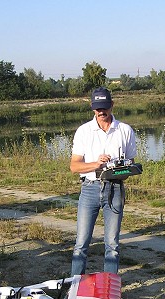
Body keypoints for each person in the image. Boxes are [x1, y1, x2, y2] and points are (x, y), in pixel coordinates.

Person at [69, 87, 137, 276]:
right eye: (98, 108)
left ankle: (110, 291)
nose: (101, 112)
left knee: (113, 245)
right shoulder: (83, 131)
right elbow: (74, 166)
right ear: (92, 108)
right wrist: (96, 164)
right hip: (90, 188)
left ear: (112, 106)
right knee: (81, 244)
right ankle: (75, 287)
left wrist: (122, 170)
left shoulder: (125, 130)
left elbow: (130, 163)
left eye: (105, 107)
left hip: (115, 189)